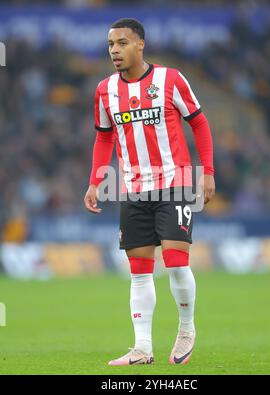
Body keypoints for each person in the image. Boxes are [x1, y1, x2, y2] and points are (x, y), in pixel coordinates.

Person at [84, 18, 215, 366]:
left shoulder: (170, 80)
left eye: (122, 43)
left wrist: (208, 173)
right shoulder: (105, 90)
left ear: (140, 44)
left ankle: (186, 328)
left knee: (175, 261)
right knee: (139, 270)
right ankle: (142, 347)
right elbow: (104, 135)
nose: (115, 50)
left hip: (175, 182)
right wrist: (96, 181)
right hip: (135, 190)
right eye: (111, 44)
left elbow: (199, 122)